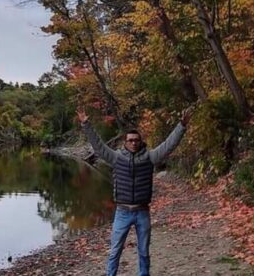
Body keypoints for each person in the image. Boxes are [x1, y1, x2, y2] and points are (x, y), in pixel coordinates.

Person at [77, 106, 193, 276]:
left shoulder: (150, 157)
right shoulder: (116, 158)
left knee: (144, 251)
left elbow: (169, 145)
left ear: (140, 141)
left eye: (136, 140)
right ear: (125, 142)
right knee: (115, 251)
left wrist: (181, 126)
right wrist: (86, 124)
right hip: (122, 212)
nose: (133, 142)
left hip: (142, 212)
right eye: (130, 140)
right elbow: (99, 147)